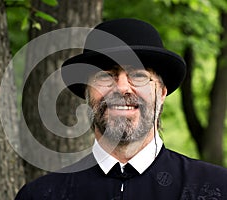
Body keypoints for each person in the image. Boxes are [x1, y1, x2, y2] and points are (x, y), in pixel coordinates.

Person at [15, 18, 227, 200]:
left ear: (162, 92)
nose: (122, 87)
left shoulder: (218, 188)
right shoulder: (42, 195)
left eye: (139, 75)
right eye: (106, 76)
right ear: (87, 93)